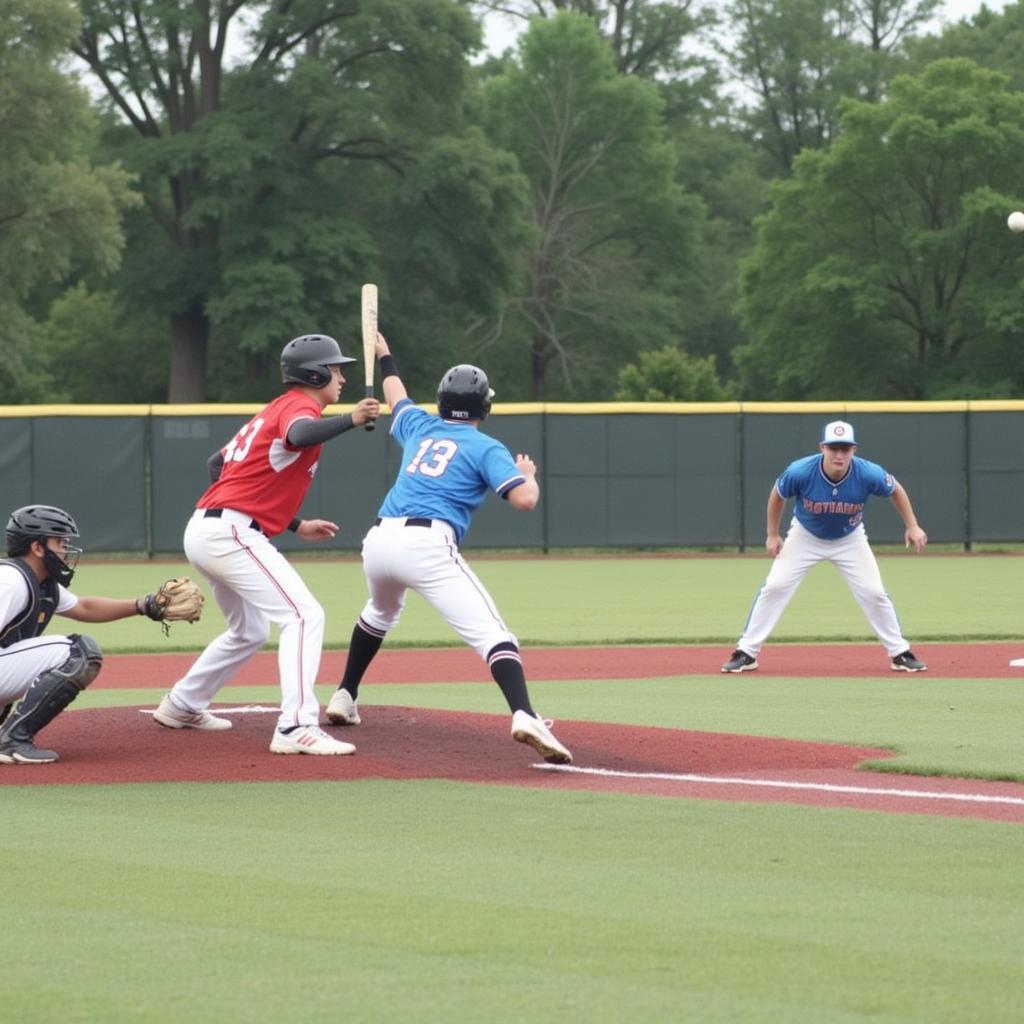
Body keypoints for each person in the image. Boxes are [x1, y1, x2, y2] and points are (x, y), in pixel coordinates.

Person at [324, 333, 572, 764]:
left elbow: (396, 395)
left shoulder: (419, 426)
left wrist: (386, 355)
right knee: (493, 634)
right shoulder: (485, 446)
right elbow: (524, 501)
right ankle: (525, 714)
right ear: (485, 407)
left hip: (379, 540)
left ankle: (345, 694)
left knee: (379, 612)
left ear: (441, 402)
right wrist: (526, 473)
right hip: (426, 543)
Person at [152, 333, 379, 756]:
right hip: (229, 532)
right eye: (334, 369)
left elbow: (217, 465)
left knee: (249, 629)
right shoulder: (298, 406)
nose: (342, 377)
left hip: (210, 527)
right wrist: (349, 419)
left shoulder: (275, 408)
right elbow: (299, 435)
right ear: (313, 373)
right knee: (305, 615)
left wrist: (293, 523)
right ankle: (295, 726)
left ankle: (183, 704)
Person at [721, 420, 928, 674]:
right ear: (822, 448)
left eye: (845, 448)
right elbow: (777, 494)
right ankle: (746, 652)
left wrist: (912, 525)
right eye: (833, 448)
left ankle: (899, 653)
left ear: (854, 450)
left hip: (850, 538)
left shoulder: (867, 472)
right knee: (775, 586)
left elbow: (895, 489)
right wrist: (772, 534)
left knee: (874, 592)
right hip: (805, 536)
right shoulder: (800, 471)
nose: (839, 454)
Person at [0, 505, 182, 764]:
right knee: (78, 651)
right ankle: (12, 741)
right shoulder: (10, 582)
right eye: (60, 542)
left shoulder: (41, 583)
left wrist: (143, 605)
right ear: (37, 547)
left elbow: (84, 607)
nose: (65, 549)